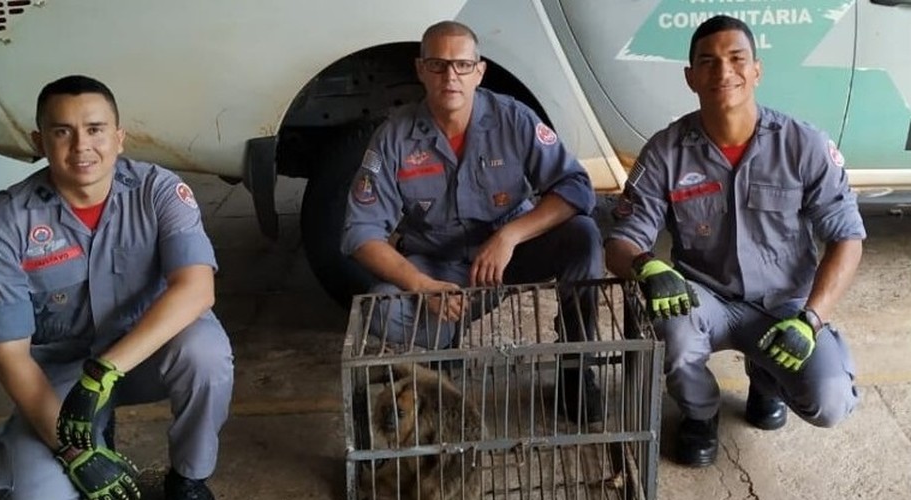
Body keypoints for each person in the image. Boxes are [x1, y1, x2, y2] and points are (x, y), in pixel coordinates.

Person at [605, 15, 864, 467]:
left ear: (757, 70)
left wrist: (812, 319)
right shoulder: (666, 151)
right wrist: (647, 265)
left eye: (736, 58)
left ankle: (765, 379)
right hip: (705, 297)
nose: (723, 71)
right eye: (708, 62)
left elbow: (847, 237)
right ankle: (700, 414)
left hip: (784, 304)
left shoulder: (802, 144)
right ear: (691, 78)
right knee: (672, 326)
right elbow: (621, 240)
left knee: (830, 400)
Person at [0, 75, 234, 500]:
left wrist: (104, 372)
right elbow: (7, 352)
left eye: (95, 129)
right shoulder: (7, 222)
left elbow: (196, 289)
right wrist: (73, 451)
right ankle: (75, 436)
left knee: (205, 352)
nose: (81, 147)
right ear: (39, 141)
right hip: (62, 373)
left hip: (144, 355)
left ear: (119, 137)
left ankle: (188, 479)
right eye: (62, 131)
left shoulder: (159, 191)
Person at [340, 21, 605, 422]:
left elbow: (576, 188)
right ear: (420, 69)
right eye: (438, 64)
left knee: (583, 236)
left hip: (509, 258)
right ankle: (444, 345)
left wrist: (509, 236)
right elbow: (360, 232)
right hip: (439, 266)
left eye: (462, 65)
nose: (451, 76)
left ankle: (577, 364)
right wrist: (422, 285)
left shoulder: (513, 119)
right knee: (382, 308)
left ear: (479, 71)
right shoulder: (394, 138)